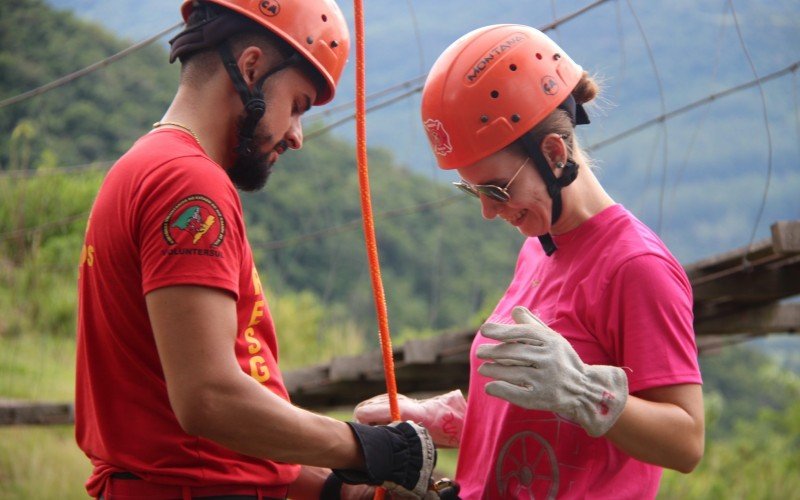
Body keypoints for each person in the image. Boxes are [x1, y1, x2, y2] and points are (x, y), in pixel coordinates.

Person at [74, 1, 439, 498]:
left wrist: (341, 491)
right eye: (298, 105)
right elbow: (209, 398)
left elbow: (197, 438)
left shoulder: (141, 168)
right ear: (250, 68)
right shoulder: (189, 184)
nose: (297, 136)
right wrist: (368, 448)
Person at [354, 24, 704, 499]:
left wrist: (584, 392)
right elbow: (541, 405)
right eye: (473, 190)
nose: (487, 211)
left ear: (554, 154)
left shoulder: (635, 266)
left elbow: (686, 441)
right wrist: (459, 421)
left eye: (497, 189)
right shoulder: (538, 248)